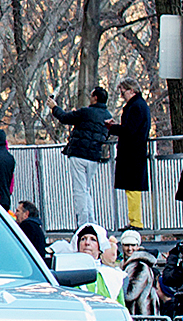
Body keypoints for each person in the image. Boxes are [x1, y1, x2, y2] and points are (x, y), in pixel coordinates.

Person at [50, 87, 113, 228]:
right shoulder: (108, 116)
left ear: (95, 97)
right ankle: (92, 221)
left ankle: (83, 223)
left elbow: (65, 118)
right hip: (94, 156)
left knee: (79, 190)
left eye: (91, 95)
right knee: (86, 189)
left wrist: (54, 108)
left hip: (79, 154)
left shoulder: (86, 112)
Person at [108, 78, 150, 230]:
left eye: (123, 92)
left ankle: (136, 222)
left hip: (132, 152)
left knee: (132, 188)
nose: (121, 95)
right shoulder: (139, 105)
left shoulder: (136, 107)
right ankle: (134, 221)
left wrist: (113, 128)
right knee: (132, 188)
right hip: (135, 152)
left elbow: (129, 130)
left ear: (132, 90)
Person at [72, 223, 125, 303]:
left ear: (100, 247)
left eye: (93, 239)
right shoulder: (68, 272)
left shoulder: (113, 276)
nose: (87, 243)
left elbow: (121, 307)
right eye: (83, 239)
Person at [119, 228, 163, 316]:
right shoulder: (125, 264)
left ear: (138, 246)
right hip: (136, 314)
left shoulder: (140, 266)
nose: (130, 249)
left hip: (141, 314)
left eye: (133, 245)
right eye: (126, 245)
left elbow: (130, 294)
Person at [12, 200, 52, 266]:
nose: (15, 214)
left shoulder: (26, 226)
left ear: (26, 214)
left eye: (18, 211)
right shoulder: (36, 226)